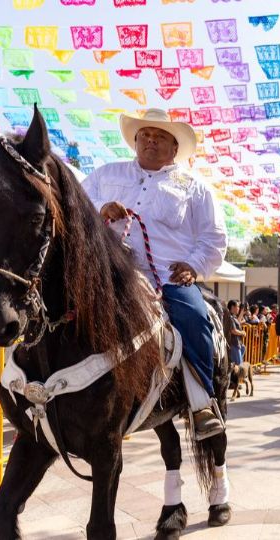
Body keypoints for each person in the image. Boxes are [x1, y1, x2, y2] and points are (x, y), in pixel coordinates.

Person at [81, 108, 228, 438]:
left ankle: (202, 401)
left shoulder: (193, 187)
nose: (150, 140)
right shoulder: (105, 175)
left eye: (159, 136)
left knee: (193, 316)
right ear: (135, 141)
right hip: (108, 271)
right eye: (144, 135)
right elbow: (73, 210)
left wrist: (193, 266)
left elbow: (213, 238)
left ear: (174, 148)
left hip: (166, 276)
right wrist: (99, 211)